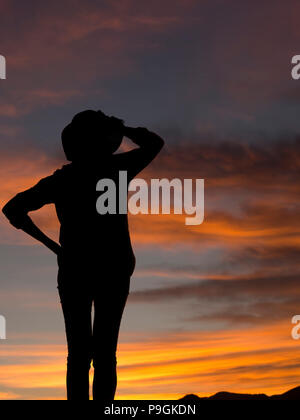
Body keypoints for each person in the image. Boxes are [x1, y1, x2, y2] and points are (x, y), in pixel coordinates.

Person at [2, 110, 164, 401]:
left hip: (79, 270)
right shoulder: (117, 169)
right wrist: (122, 126)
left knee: (79, 355)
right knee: (103, 354)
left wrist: (55, 248)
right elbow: (154, 143)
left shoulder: (63, 180)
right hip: (112, 269)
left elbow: (12, 209)